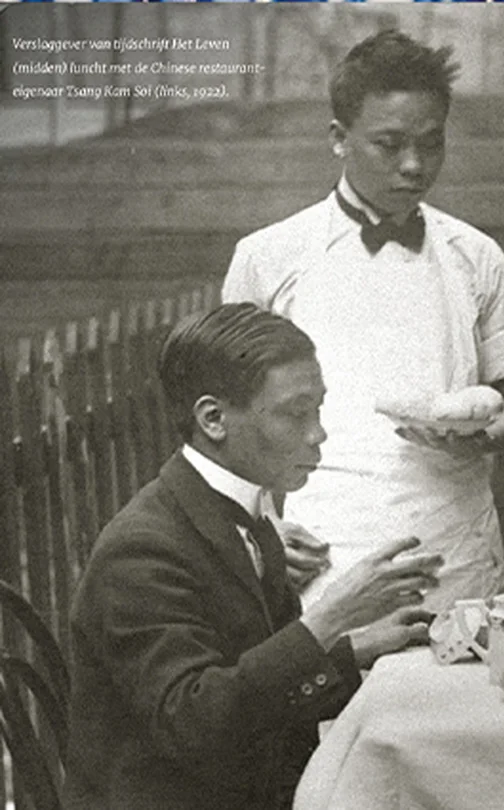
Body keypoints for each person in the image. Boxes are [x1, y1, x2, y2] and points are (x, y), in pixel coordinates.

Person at [64, 303, 443, 810]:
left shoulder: (246, 516)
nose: (318, 433)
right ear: (214, 419)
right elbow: (195, 723)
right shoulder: (142, 549)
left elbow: (258, 697)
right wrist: (330, 618)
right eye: (295, 412)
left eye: (319, 409)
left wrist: (351, 654)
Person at [223, 30, 504, 611]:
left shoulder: (476, 256)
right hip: (323, 550)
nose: (414, 165)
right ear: (339, 140)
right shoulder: (268, 257)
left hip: (454, 549)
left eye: (431, 143)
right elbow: (222, 418)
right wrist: (261, 524)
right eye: (389, 144)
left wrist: (478, 441)